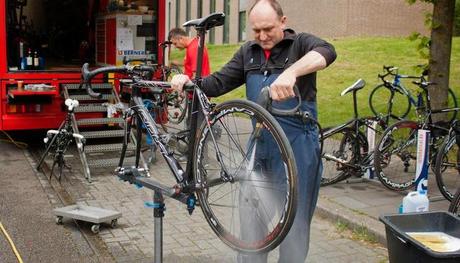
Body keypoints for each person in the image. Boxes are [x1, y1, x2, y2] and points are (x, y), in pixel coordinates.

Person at [171, 0, 336, 262]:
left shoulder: (301, 44)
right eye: (256, 30)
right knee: (250, 223)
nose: (262, 36)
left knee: (294, 226)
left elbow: (327, 52)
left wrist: (291, 73)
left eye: (268, 29)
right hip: (259, 149)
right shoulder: (249, 52)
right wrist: (189, 82)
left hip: (298, 152)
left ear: (283, 22)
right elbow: (217, 83)